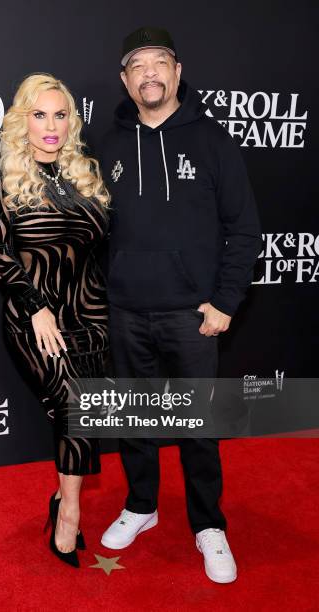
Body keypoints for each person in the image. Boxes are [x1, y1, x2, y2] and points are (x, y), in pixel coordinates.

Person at [97, 27, 262, 583]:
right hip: (125, 309)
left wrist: (224, 302)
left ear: (177, 71)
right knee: (136, 421)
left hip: (194, 314)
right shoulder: (108, 145)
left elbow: (244, 229)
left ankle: (208, 525)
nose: (149, 73)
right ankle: (141, 506)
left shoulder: (214, 140)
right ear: (124, 80)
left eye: (159, 62)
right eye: (137, 65)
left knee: (198, 427)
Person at [0, 73, 111, 568]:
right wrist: (36, 308)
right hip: (31, 316)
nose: (51, 126)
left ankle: (62, 501)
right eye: (39, 115)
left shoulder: (86, 175)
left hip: (89, 315)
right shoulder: (3, 177)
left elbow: (97, 253)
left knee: (84, 413)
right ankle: (71, 513)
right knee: (75, 407)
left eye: (59, 115)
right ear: (23, 120)